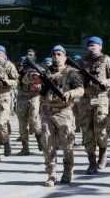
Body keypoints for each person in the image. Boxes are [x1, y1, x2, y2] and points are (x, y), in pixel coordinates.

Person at [34, 45, 85, 187]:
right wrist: (36, 84)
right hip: (47, 111)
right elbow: (31, 82)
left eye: (59, 54)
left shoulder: (71, 72)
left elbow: (80, 89)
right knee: (48, 145)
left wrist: (71, 93)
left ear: (65, 56)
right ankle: (51, 175)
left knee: (67, 144)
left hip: (64, 112)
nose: (56, 57)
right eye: (54, 54)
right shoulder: (45, 73)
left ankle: (67, 171)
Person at [76, 37, 110, 174]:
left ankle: (103, 152)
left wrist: (106, 82)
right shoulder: (81, 61)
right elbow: (74, 78)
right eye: (89, 45)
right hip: (85, 100)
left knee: (100, 131)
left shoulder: (106, 60)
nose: (92, 47)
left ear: (100, 46)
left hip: (101, 98)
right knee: (87, 133)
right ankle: (92, 162)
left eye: (94, 45)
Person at [15, 49, 44, 156]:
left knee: (34, 121)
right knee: (22, 124)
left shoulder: (39, 69)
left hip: (34, 97)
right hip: (22, 97)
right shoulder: (19, 69)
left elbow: (42, 81)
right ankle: (25, 148)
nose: (29, 56)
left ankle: (40, 141)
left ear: (35, 56)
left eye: (31, 54)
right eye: (27, 54)